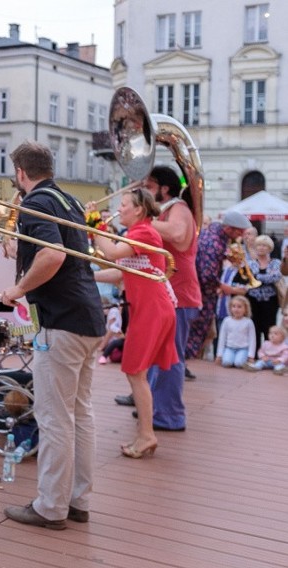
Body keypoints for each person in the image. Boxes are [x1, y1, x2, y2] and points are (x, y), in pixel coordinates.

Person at [0, 141, 105, 530]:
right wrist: (20, 251)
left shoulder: (35, 203)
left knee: (54, 417)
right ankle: (77, 500)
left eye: (15, 175)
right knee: (81, 413)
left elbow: (53, 255)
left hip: (60, 321)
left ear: (21, 173)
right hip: (88, 317)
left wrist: (18, 289)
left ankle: (50, 507)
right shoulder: (68, 201)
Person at [116, 166, 202, 432]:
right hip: (161, 296)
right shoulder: (166, 211)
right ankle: (151, 409)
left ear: (164, 188)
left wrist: (141, 216)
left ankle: (170, 415)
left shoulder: (179, 209)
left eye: (149, 186)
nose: (145, 190)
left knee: (171, 359)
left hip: (177, 296)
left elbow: (177, 234)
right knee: (155, 358)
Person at [93, 189, 177, 458]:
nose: (121, 208)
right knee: (136, 373)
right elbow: (121, 271)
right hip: (149, 308)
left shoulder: (142, 232)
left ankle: (147, 435)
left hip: (151, 309)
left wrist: (95, 224)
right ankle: (145, 432)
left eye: (124, 204)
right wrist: (88, 277)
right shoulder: (139, 233)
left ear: (139, 209)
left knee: (135, 372)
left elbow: (110, 253)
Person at [187, 211, 252, 361]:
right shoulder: (215, 243)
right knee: (196, 330)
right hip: (202, 293)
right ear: (229, 229)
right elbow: (208, 275)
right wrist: (226, 288)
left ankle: (181, 365)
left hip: (195, 289)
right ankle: (179, 365)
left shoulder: (212, 231)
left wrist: (225, 256)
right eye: (239, 232)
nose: (240, 236)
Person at [246, 235, 282, 352]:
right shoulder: (251, 263)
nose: (261, 248)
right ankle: (255, 353)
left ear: (269, 248)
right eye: (259, 245)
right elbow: (248, 278)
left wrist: (257, 277)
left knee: (269, 327)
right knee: (254, 327)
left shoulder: (276, 262)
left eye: (264, 246)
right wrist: (261, 278)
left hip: (270, 300)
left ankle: (270, 353)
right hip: (253, 299)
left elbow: (275, 277)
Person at [216, 296, 256, 368]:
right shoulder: (227, 321)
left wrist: (251, 355)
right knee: (226, 362)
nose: (236, 309)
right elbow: (222, 338)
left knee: (239, 363)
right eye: (234, 306)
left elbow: (252, 339)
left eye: (239, 307)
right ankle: (230, 358)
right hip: (229, 348)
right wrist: (219, 354)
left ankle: (242, 358)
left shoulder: (248, 322)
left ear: (245, 309)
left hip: (243, 348)